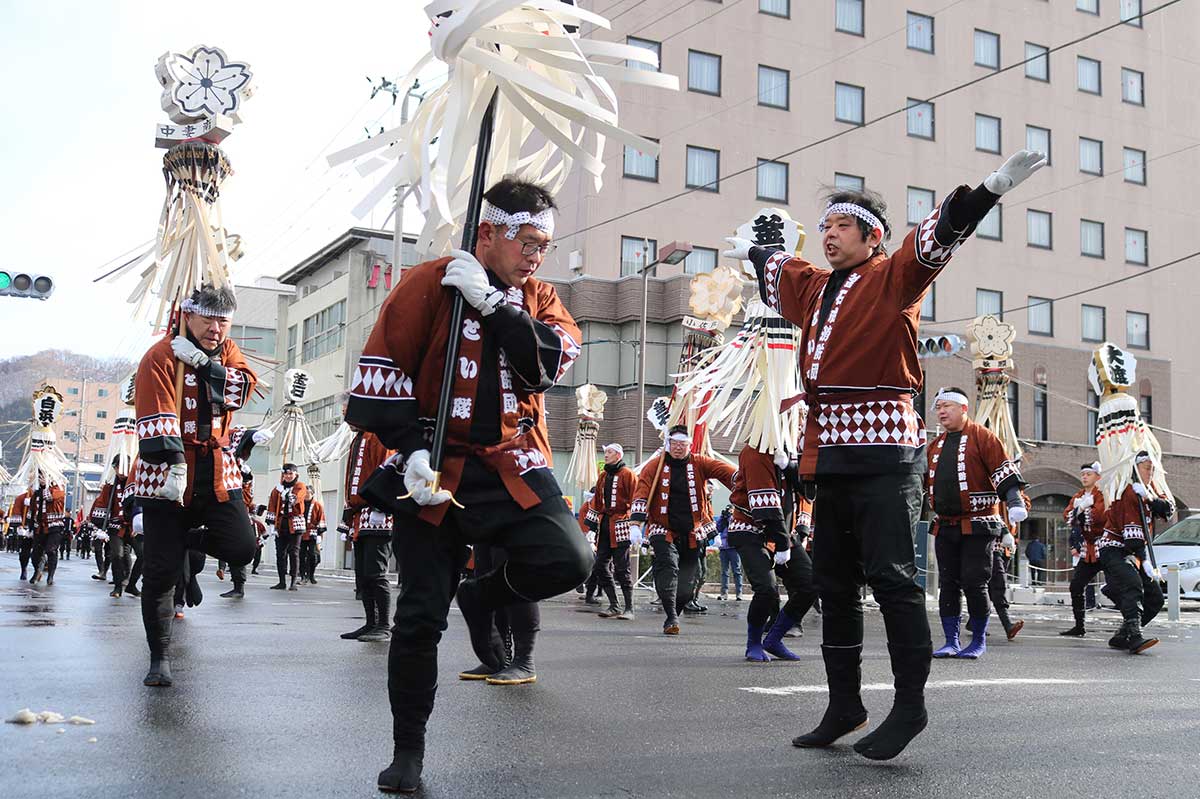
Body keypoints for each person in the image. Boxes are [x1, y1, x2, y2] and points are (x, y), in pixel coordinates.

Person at [726, 149, 1047, 760]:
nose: (827, 236)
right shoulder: (814, 288)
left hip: (884, 453)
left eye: (840, 226)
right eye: (823, 227)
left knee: (895, 582)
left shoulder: (893, 275)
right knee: (834, 584)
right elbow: (780, 270)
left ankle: (910, 705)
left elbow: (938, 235)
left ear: (871, 236)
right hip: (831, 456)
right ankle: (843, 702)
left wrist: (987, 190)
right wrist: (755, 248)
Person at [343, 176, 591, 792]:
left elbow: (545, 366)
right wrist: (408, 452)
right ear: (489, 233)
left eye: (544, 244)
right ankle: (408, 750)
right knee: (419, 618)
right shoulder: (429, 283)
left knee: (569, 558)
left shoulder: (535, 297)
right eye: (528, 241)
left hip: (510, 461)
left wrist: (498, 307)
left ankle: (485, 594)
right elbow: (374, 384)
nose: (536, 255)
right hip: (431, 465)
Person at [132, 284, 258, 687]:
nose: (216, 328)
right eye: (208, 318)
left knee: (243, 546)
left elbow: (241, 390)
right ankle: (160, 657)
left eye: (223, 320)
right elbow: (156, 408)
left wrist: (206, 366)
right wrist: (173, 462)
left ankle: (191, 540)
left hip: (217, 466)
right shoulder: (160, 354)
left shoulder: (227, 352)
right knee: (160, 573)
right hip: (168, 471)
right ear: (187, 315)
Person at [925, 388, 1027, 660]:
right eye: (938, 407)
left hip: (978, 524)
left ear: (963, 408)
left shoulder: (983, 437)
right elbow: (921, 483)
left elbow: (1002, 469)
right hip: (945, 524)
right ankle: (951, 640)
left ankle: (978, 640)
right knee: (947, 583)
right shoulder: (934, 446)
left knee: (974, 582)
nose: (942, 411)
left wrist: (1014, 501)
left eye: (947, 406)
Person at [629, 425, 735, 636]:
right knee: (668, 568)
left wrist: (747, 478)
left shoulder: (699, 463)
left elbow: (725, 472)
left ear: (690, 445)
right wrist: (635, 523)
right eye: (674, 444)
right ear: (668, 444)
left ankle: (674, 613)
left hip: (692, 531)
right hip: (662, 528)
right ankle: (671, 616)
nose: (678, 448)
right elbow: (642, 491)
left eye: (682, 444)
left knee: (689, 580)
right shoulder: (655, 466)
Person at [729, 444, 817, 662]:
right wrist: (782, 544)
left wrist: (789, 467)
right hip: (751, 530)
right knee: (766, 589)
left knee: (810, 585)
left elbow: (809, 492)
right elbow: (764, 504)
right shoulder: (754, 453)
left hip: (784, 532)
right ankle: (754, 643)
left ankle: (775, 638)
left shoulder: (790, 452)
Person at [1098, 451, 1172, 654]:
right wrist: (1145, 560)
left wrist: (1149, 498)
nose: (1151, 472)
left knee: (1156, 597)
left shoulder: (1148, 489)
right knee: (1133, 584)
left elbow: (1168, 508)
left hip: (1133, 552)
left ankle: (1123, 634)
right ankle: (1135, 636)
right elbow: (1132, 537)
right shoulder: (1127, 492)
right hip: (1114, 548)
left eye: (1153, 468)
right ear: (1135, 469)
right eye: (1147, 468)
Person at [339, 427, 396, 642]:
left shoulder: (378, 435)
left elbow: (389, 470)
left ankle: (383, 625)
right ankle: (371, 622)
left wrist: (382, 506)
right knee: (363, 574)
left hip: (377, 513)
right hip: (360, 515)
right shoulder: (359, 437)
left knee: (375, 572)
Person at [584, 443, 638, 620]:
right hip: (605, 524)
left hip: (621, 523)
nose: (605, 455)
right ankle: (614, 604)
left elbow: (636, 499)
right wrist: (591, 527)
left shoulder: (628, 474)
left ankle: (629, 608)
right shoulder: (603, 475)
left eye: (609, 452)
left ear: (619, 455)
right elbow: (597, 502)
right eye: (605, 452)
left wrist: (635, 524)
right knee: (599, 565)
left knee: (622, 568)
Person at [1059, 462, 1107, 637]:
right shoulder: (1078, 495)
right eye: (1083, 474)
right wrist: (1082, 509)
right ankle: (1080, 625)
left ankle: (1129, 624)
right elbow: (1068, 516)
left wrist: (1081, 511)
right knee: (1076, 586)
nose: (1085, 477)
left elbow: (1100, 517)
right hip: (1088, 549)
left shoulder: (1103, 494)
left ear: (1098, 476)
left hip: (1105, 545)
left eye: (1089, 473)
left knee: (1116, 586)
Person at [11, 475, 67, 585]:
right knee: (35, 554)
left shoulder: (58, 490)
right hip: (39, 528)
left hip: (54, 526)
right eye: (39, 478)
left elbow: (49, 497)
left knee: (51, 550)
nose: (40, 480)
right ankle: (36, 570)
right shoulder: (33, 495)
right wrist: (28, 527)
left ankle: (50, 576)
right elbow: (31, 512)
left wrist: (44, 486)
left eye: (43, 478)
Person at [266, 464, 307, 591]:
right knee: (280, 553)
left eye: (291, 474)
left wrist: (285, 493)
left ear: (296, 475)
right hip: (281, 523)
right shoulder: (276, 489)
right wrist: (272, 524)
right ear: (283, 475)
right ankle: (281, 581)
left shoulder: (300, 486)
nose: (288, 476)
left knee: (294, 553)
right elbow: (272, 505)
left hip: (295, 523)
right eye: (286, 474)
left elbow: (296, 499)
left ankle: (293, 581)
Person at [716, 506, 742, 602]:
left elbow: (735, 526)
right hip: (723, 547)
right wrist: (723, 517)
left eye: (731, 509)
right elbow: (718, 528)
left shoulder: (736, 517)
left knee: (737, 571)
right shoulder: (723, 518)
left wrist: (730, 517)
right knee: (724, 572)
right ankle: (724, 593)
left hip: (734, 547)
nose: (729, 511)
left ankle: (739, 593)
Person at [300, 493, 326, 585]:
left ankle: (311, 575)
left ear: (312, 494)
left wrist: (320, 534)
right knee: (301, 555)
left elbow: (321, 519)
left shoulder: (317, 505)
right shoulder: (300, 503)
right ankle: (302, 575)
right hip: (301, 532)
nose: (306, 495)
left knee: (313, 555)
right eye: (305, 493)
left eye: (308, 493)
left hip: (313, 533)